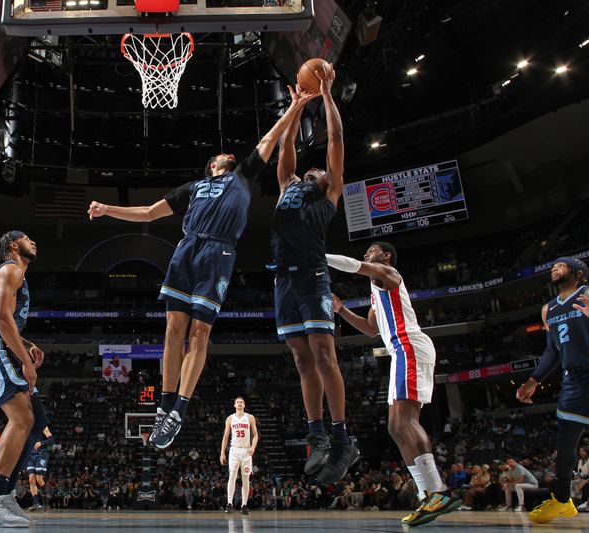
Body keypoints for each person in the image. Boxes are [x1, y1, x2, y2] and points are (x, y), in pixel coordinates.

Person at [87, 88, 318, 449]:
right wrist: (108, 210)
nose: (228, 153)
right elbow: (149, 213)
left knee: (199, 333)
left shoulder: (242, 175)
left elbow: (269, 139)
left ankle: (179, 408)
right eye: (220, 155)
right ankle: (164, 408)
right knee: (172, 329)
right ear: (212, 165)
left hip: (218, 253)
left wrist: (295, 106)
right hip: (187, 248)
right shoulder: (193, 187)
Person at [325, 242, 461, 526]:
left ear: (386, 256)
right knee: (395, 426)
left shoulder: (389, 274)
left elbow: (355, 266)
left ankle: (439, 492)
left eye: (372, 250)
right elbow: (371, 329)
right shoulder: (376, 292)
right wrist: (341, 310)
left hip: (409, 346)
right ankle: (430, 494)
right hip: (401, 350)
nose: (367, 254)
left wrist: (317, 255)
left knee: (406, 422)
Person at [271, 62, 356, 484]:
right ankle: (318, 434)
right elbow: (286, 150)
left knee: (324, 354)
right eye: (313, 169)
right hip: (282, 280)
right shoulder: (288, 187)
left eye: (320, 170)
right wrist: (295, 108)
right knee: (302, 360)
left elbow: (336, 139)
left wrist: (324, 95)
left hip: (313, 275)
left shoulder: (330, 191)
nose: (315, 170)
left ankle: (341, 438)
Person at [0, 230, 49, 528]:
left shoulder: (17, 275)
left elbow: (4, 319)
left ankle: (3, 496)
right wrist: (26, 362)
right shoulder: (11, 269)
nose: (34, 241)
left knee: (36, 421)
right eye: (29, 238)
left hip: (0, 342)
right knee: (21, 419)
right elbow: (1, 320)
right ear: (14, 246)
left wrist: (26, 344)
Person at [516, 256, 589, 523]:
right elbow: (552, 349)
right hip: (574, 380)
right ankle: (562, 500)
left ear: (578, 272)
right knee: (566, 444)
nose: (554, 269)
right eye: (553, 266)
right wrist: (533, 380)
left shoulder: (588, 294)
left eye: (562, 265)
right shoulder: (549, 309)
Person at [219, 396, 259, 515]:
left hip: (246, 451)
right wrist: (222, 452)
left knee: (246, 478)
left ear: (244, 405)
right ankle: (229, 503)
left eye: (241, 402)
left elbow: (256, 435)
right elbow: (226, 437)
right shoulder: (230, 418)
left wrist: (253, 447)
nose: (240, 404)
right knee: (232, 476)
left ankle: (244, 505)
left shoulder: (250, 417)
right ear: (234, 405)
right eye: (237, 402)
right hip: (234, 450)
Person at [27, 426, 55, 511]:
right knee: (31, 479)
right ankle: (35, 503)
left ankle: (45, 503)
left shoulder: (42, 426)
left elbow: (51, 440)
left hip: (41, 454)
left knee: (39, 479)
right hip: (31, 455)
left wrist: (41, 443)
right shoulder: (26, 427)